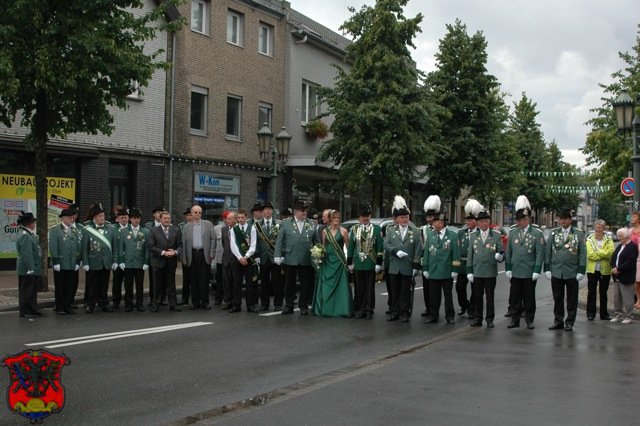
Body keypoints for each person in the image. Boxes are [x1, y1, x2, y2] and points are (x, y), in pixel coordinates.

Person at [505, 195, 545, 329]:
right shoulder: (513, 232)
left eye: (522, 220)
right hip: (516, 270)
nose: (520, 222)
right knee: (515, 297)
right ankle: (515, 319)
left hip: (529, 271)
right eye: (518, 220)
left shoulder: (536, 233)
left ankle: (529, 319)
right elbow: (509, 251)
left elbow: (539, 253)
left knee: (529, 297)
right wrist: (508, 268)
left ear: (527, 219)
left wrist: (537, 270)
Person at [545, 208, 586, 332]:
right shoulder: (553, 233)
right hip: (557, 270)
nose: (562, 221)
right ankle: (558, 320)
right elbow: (548, 252)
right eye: (560, 219)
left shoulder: (578, 234)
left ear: (570, 220)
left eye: (565, 219)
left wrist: (581, 270)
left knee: (572, 298)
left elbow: (582, 253)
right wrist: (547, 268)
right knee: (557, 297)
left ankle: (570, 321)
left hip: (572, 271)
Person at [274, 201, 319, 315]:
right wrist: (277, 255)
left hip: (306, 258)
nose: (304, 212)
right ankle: (289, 305)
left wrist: (318, 254)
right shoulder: (286, 223)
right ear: (295, 211)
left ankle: (303, 305)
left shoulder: (312, 224)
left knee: (305, 283)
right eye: (302, 210)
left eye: (305, 210)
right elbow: (279, 241)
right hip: (290, 257)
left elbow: (316, 242)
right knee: (289, 283)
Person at [384, 195, 423, 322]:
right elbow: (386, 244)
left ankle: (404, 313)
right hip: (394, 266)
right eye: (402, 217)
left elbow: (418, 248)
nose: (405, 219)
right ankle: (394, 311)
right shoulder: (391, 230)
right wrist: (395, 251)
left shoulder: (415, 231)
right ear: (398, 219)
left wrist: (416, 265)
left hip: (407, 265)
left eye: (406, 217)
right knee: (394, 291)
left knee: (405, 291)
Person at [422, 197, 460, 325]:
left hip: (446, 270)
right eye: (433, 222)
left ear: (442, 223)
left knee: (448, 296)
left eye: (436, 222)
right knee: (434, 296)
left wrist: (455, 269)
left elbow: (456, 254)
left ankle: (450, 315)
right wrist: (425, 268)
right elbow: (426, 253)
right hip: (433, 270)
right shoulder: (431, 235)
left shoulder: (453, 236)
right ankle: (434, 315)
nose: (433, 224)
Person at [467, 207, 504, 328]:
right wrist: (469, 271)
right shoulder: (473, 235)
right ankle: (478, 318)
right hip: (477, 271)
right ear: (477, 223)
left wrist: (500, 256)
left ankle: (489, 319)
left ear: (489, 222)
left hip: (490, 271)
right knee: (477, 296)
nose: (484, 223)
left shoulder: (496, 235)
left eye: (486, 221)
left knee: (490, 296)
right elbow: (470, 255)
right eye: (481, 221)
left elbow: (501, 251)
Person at [313, 210, 354, 317]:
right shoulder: (325, 232)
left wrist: (350, 262)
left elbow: (349, 248)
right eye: (334, 218)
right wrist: (319, 255)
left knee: (341, 286)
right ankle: (326, 308)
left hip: (339, 261)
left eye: (338, 218)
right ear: (330, 219)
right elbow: (323, 246)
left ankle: (341, 309)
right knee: (326, 286)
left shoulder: (344, 231)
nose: (336, 220)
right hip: (327, 261)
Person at [347, 205, 383, 319]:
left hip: (370, 262)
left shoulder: (377, 229)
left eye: (367, 216)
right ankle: (361, 308)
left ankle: (369, 309)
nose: (365, 218)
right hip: (358, 263)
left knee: (370, 288)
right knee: (359, 288)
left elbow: (380, 247)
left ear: (370, 216)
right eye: (363, 216)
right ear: (359, 218)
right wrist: (349, 262)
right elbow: (351, 247)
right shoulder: (354, 229)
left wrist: (378, 263)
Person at [81, 203, 118, 313]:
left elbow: (115, 246)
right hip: (93, 262)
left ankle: (103, 303)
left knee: (104, 285)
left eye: (103, 216)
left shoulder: (111, 229)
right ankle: (91, 304)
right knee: (92, 285)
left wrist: (115, 260)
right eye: (100, 216)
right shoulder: (87, 230)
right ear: (94, 218)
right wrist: (85, 262)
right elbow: (84, 248)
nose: (102, 218)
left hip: (106, 262)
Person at [182, 204, 216, 310]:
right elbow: (183, 243)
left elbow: (213, 239)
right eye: (195, 212)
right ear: (191, 214)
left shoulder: (208, 224)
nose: (198, 214)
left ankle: (205, 302)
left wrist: (211, 253)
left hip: (204, 254)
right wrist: (184, 258)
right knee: (193, 280)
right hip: (192, 254)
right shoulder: (186, 227)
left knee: (204, 280)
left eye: (200, 212)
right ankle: (195, 302)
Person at [48, 208, 80, 315]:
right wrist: (55, 261)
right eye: (69, 217)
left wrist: (77, 261)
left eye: (72, 217)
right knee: (60, 286)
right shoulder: (55, 230)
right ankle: (60, 306)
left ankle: (67, 305)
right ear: (63, 218)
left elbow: (77, 247)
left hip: (71, 263)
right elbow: (53, 247)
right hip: (61, 263)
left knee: (69, 285)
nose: (72, 219)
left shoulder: (74, 230)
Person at [149, 211, 182, 312]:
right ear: (160, 219)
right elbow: (151, 246)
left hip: (171, 262)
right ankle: (156, 304)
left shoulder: (175, 230)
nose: (167, 220)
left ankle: (173, 305)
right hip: (158, 261)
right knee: (157, 285)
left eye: (168, 218)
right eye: (165, 218)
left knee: (171, 284)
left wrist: (175, 252)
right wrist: (163, 252)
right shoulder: (154, 230)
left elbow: (180, 245)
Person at [119, 208, 150, 312]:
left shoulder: (145, 232)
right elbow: (121, 248)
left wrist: (146, 262)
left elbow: (147, 249)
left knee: (139, 285)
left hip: (139, 263)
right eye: (134, 218)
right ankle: (128, 304)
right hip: (128, 263)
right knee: (128, 285)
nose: (136, 220)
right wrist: (121, 261)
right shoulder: (124, 232)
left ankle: (139, 304)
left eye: (138, 218)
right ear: (130, 219)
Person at [255, 201, 283, 311]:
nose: (267, 211)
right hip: (263, 257)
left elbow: (282, 241)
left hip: (275, 257)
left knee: (277, 282)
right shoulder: (257, 225)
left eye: (269, 209)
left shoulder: (279, 224)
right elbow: (255, 241)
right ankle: (264, 303)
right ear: (262, 212)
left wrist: (281, 255)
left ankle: (278, 303)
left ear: (272, 211)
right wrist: (257, 255)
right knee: (264, 282)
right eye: (265, 209)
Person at [229, 209, 258, 312]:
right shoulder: (234, 229)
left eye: (242, 217)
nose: (240, 219)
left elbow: (253, 245)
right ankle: (236, 305)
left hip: (248, 259)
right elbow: (233, 245)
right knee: (237, 283)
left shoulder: (252, 229)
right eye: (238, 218)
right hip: (238, 259)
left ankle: (250, 305)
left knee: (249, 283)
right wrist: (240, 258)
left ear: (246, 218)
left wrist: (246, 256)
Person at [457, 199, 481, 320]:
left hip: (475, 265)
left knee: (475, 289)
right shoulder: (461, 233)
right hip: (462, 265)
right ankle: (464, 305)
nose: (469, 222)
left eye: (471, 220)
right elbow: (456, 251)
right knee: (459, 288)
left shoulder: (480, 233)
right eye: (467, 220)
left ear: (476, 221)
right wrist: (454, 266)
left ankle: (472, 308)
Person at [586, 219, 614, 321]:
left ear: (604, 228)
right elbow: (590, 255)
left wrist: (597, 252)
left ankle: (604, 314)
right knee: (591, 292)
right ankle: (590, 314)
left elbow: (610, 252)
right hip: (592, 270)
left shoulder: (608, 239)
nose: (598, 229)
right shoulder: (589, 239)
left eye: (600, 227)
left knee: (603, 293)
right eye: (596, 227)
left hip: (605, 270)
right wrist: (603, 253)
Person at [16, 212, 42, 318]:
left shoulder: (28, 234)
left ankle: (32, 309)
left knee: (31, 291)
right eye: (33, 222)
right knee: (26, 291)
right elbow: (27, 254)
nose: (34, 224)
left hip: (32, 267)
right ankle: (25, 311)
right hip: (28, 268)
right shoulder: (25, 236)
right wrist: (30, 267)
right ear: (29, 223)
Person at [610, 228, 638, 324]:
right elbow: (614, 257)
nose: (619, 238)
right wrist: (614, 267)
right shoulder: (619, 246)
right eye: (618, 236)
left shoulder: (632, 247)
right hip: (617, 276)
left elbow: (630, 261)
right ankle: (618, 315)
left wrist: (619, 269)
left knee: (627, 298)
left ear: (626, 236)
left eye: (620, 236)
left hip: (626, 276)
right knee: (617, 298)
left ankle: (629, 316)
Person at [420, 195, 437, 319]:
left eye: (431, 217)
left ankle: (434, 308)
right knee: (426, 287)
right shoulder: (422, 229)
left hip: (436, 262)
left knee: (434, 287)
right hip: (426, 261)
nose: (429, 219)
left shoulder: (438, 228)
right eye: (428, 217)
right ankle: (428, 307)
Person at [111, 208, 129, 309]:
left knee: (128, 283)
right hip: (117, 260)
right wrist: (114, 260)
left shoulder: (131, 229)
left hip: (128, 260)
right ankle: (115, 301)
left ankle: (128, 301)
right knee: (116, 282)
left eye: (126, 217)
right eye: (122, 218)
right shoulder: (113, 229)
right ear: (118, 218)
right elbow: (113, 245)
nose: (124, 220)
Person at [220, 211, 237, 310]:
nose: (228, 220)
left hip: (235, 259)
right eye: (227, 219)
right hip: (226, 258)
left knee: (235, 282)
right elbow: (224, 244)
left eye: (230, 219)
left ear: (235, 220)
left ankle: (235, 302)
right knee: (226, 282)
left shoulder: (238, 229)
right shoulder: (224, 229)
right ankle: (227, 301)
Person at [178, 207, 194, 305]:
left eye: (190, 215)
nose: (189, 217)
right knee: (186, 279)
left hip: (196, 255)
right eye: (187, 215)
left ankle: (195, 298)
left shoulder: (198, 225)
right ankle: (185, 298)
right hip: (186, 256)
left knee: (195, 278)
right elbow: (180, 242)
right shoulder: (181, 227)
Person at [212, 212, 227, 305]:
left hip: (229, 258)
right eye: (225, 218)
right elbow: (213, 243)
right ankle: (218, 298)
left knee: (228, 280)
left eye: (228, 218)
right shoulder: (217, 228)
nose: (226, 220)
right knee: (219, 280)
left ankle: (227, 298)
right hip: (219, 258)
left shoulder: (234, 228)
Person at [629, 211, 640, 308]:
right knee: (635, 280)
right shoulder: (630, 230)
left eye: (634, 217)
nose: (632, 218)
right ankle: (638, 299)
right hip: (633, 257)